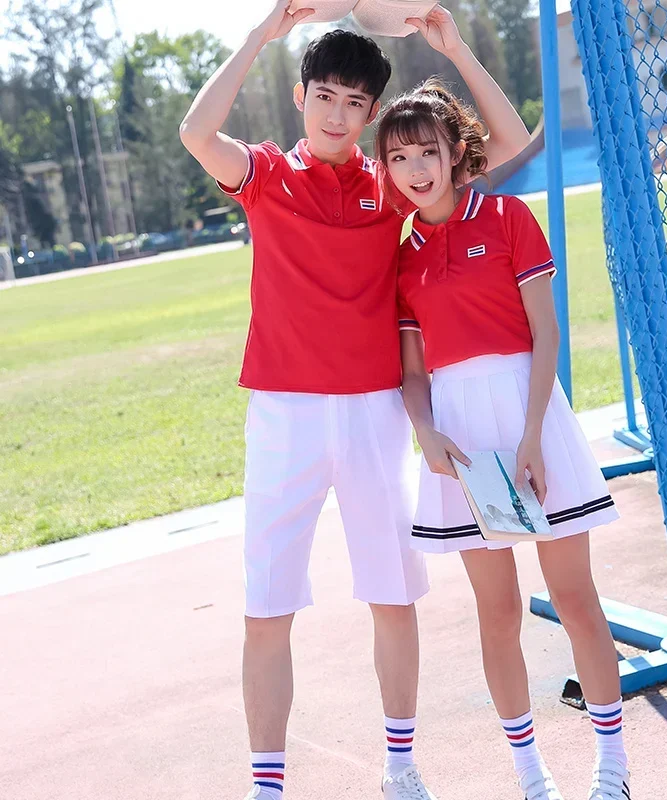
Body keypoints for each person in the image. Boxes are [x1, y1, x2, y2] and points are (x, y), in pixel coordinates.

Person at [178, 3, 531, 798]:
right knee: (266, 607)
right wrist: (262, 35)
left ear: (373, 113)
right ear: (301, 96)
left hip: (375, 413)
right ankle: (267, 784)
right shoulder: (265, 173)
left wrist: (451, 44)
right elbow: (197, 134)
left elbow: (505, 143)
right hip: (284, 416)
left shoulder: (390, 184)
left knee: (392, 593)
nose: (339, 115)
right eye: (325, 97)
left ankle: (400, 768)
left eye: (355, 104)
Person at [375, 81, 631, 800]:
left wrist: (532, 434)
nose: (417, 168)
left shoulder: (509, 216)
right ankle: (531, 777)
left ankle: (612, 771)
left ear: (457, 150)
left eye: (429, 149)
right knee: (497, 612)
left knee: (575, 599)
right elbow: (414, 373)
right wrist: (425, 432)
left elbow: (545, 331)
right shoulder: (403, 258)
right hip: (460, 442)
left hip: (532, 420)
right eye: (399, 157)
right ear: (387, 169)